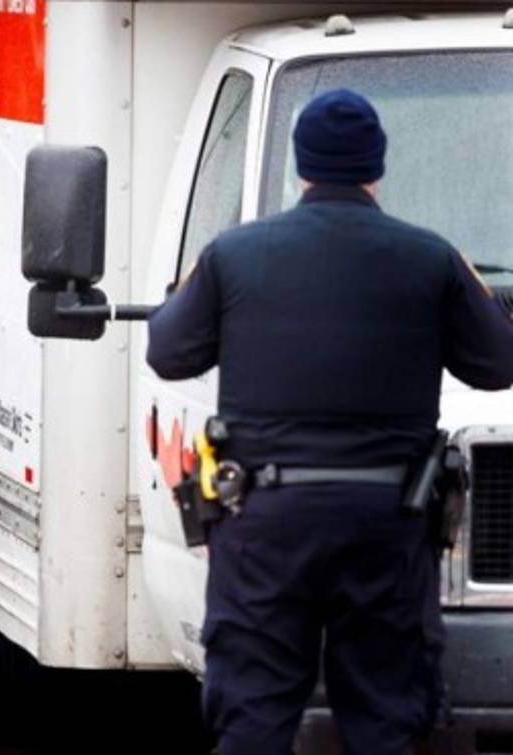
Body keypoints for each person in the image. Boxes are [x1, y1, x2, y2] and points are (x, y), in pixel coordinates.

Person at [146, 89, 513, 755]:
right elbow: (498, 364)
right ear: (376, 166)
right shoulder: (430, 257)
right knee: (384, 721)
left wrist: (204, 283)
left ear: (301, 163)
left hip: (264, 525)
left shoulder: (234, 254)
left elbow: (167, 352)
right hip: (387, 526)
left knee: (252, 722)